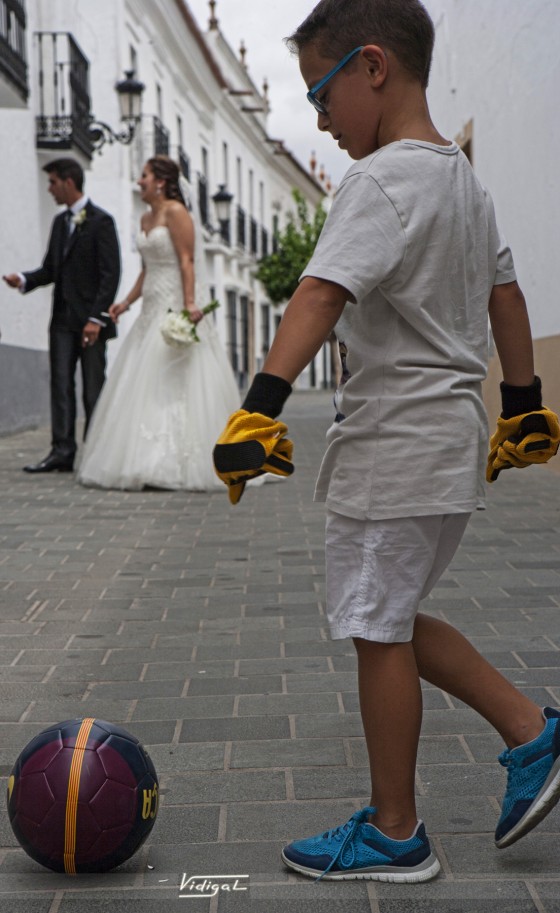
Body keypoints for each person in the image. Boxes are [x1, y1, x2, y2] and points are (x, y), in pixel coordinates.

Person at [213, 0, 560, 883]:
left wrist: (259, 406)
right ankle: (533, 734)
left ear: (372, 68)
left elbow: (320, 295)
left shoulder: (378, 183)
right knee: (392, 616)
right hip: (448, 448)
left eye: (320, 97)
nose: (321, 122)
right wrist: (521, 404)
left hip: (391, 449)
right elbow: (508, 298)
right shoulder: (463, 182)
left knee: (374, 623)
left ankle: (397, 830)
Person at [77, 155, 240, 491]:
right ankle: (144, 459)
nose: (140, 182)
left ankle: (180, 460)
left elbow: (186, 261)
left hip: (174, 301)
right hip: (151, 302)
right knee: (143, 376)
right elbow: (147, 269)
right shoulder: (144, 218)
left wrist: (190, 302)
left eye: (144, 176)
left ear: (161, 182)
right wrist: (125, 302)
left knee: (174, 375)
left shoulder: (177, 213)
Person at [3, 157, 121, 473]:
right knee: (60, 386)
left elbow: (111, 275)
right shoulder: (59, 223)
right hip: (62, 322)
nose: (50, 189)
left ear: (69, 182)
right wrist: (24, 279)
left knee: (93, 388)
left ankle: (97, 453)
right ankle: (62, 452)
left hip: (91, 324)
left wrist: (97, 319)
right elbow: (51, 270)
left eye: (53, 182)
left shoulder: (101, 222)